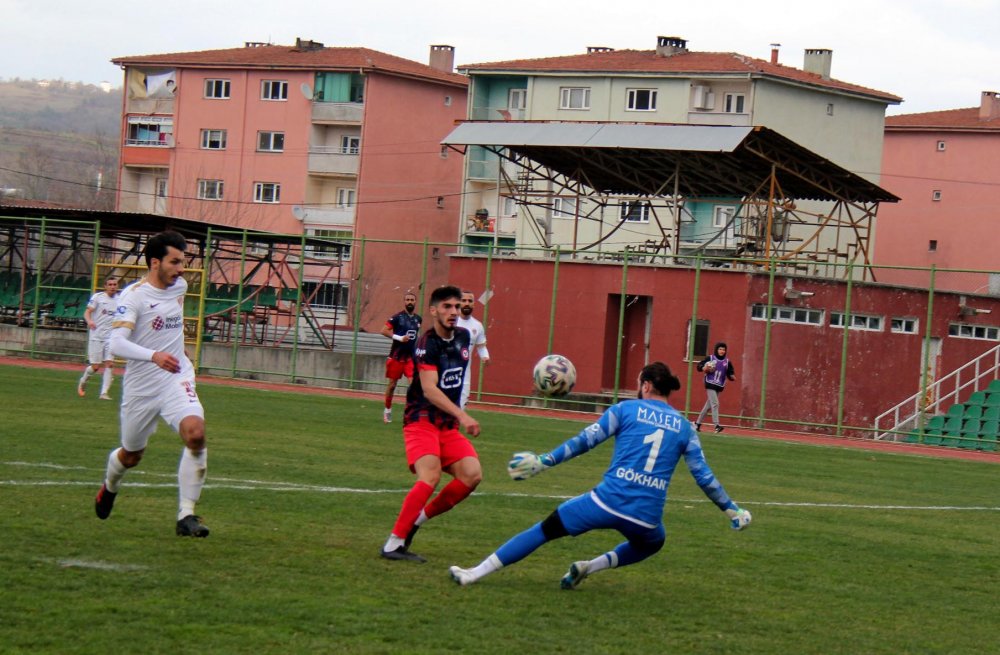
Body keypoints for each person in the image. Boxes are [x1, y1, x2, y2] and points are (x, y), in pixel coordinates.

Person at [448, 361, 751, 588]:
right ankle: (588, 567)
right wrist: (731, 509)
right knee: (653, 542)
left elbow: (584, 441)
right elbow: (703, 476)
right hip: (645, 516)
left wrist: (544, 460)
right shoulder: (685, 427)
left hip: (605, 503)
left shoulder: (625, 410)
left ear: (645, 385)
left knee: (543, 531)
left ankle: (474, 573)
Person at [94, 230, 210, 538]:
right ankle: (110, 486)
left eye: (183, 262)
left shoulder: (179, 286)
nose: (181, 269)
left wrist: (177, 351)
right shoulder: (133, 297)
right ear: (155, 262)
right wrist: (153, 355)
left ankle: (186, 514)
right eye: (175, 262)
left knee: (196, 435)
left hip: (175, 378)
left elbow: (169, 326)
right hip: (142, 387)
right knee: (131, 455)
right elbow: (115, 344)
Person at [380, 285, 481, 562]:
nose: (453, 312)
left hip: (447, 425)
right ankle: (393, 544)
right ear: (434, 310)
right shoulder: (426, 344)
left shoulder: (462, 337)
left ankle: (416, 522)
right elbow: (430, 389)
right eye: (447, 307)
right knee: (430, 476)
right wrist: (463, 414)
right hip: (420, 419)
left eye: (457, 307)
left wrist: (456, 417)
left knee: (472, 475)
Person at [380, 292, 422, 424]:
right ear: (404, 302)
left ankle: (412, 413)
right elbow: (383, 330)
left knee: (413, 385)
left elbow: (415, 337)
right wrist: (399, 338)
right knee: (392, 385)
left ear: (415, 302)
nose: (410, 302)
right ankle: (387, 411)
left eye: (412, 300)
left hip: (410, 358)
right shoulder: (397, 317)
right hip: (396, 357)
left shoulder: (418, 319)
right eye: (408, 299)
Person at [77, 276, 120, 400]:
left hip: (111, 337)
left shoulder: (120, 300)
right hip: (97, 336)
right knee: (96, 367)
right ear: (105, 286)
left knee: (110, 364)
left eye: (115, 284)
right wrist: (90, 321)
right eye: (110, 284)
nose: (112, 287)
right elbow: (87, 312)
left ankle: (104, 393)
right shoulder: (98, 298)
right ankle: (84, 379)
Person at [456, 290, 490, 408]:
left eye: (470, 301)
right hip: (447, 369)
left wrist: (485, 356)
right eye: (463, 300)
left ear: (473, 304)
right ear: (459, 303)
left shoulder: (477, 326)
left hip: (465, 372)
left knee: (461, 406)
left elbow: (481, 346)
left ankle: (455, 426)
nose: (466, 303)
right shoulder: (451, 321)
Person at [695, 342, 736, 433]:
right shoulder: (710, 358)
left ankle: (697, 424)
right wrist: (703, 368)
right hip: (710, 383)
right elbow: (699, 365)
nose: (722, 351)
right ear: (716, 350)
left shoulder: (727, 362)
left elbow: (730, 373)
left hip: (719, 385)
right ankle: (717, 426)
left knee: (708, 406)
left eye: (723, 349)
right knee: (715, 403)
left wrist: (732, 377)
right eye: (720, 349)